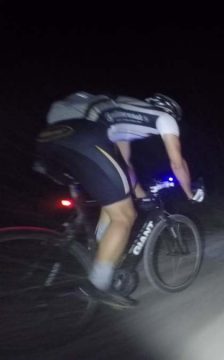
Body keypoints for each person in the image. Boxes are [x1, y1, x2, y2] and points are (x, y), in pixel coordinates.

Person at [35, 91, 204, 308]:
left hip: (49, 142)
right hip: (82, 138)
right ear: (170, 111)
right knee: (124, 216)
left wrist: (140, 194)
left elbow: (124, 167)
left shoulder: (122, 117)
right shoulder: (166, 119)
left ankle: (98, 256)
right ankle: (99, 285)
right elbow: (177, 163)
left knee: (114, 204)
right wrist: (190, 193)